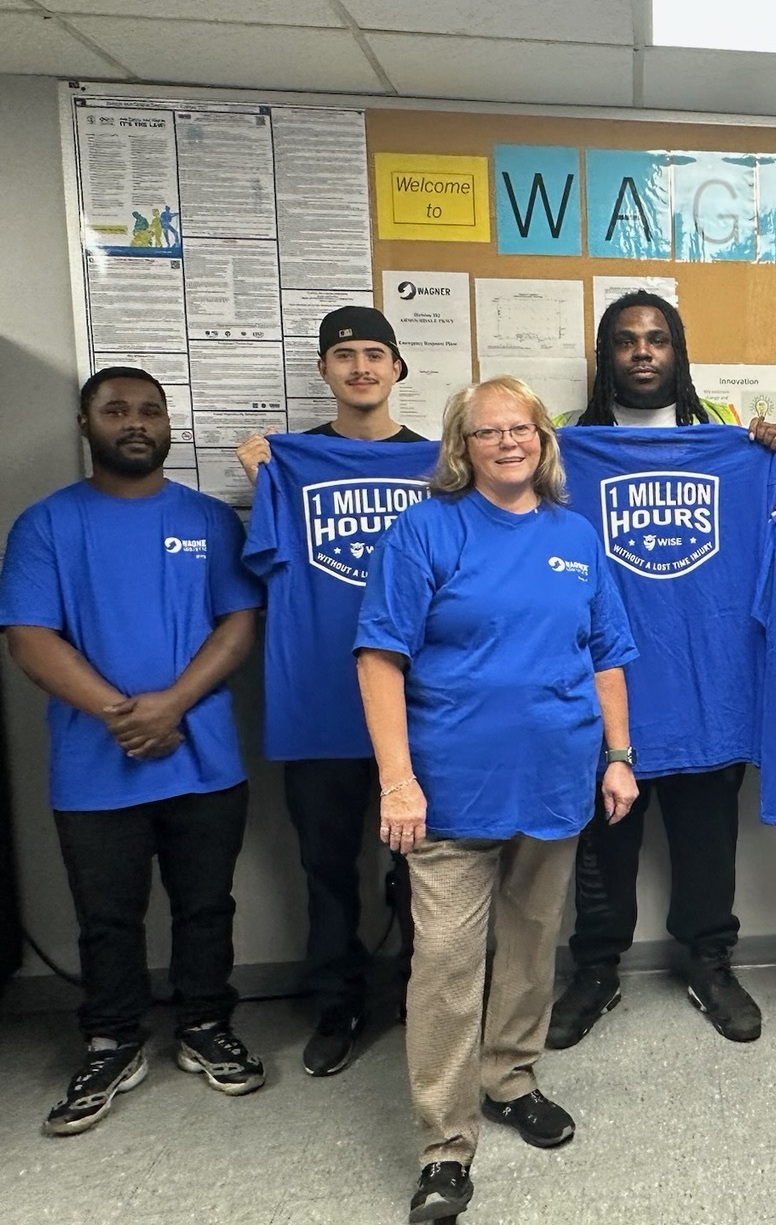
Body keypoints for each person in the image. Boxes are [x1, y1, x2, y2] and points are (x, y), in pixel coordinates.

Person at [355, 376, 638, 1223]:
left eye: (523, 429)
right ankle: (445, 1145)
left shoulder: (575, 535)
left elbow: (607, 653)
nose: (508, 442)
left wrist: (618, 758)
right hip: (449, 794)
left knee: (531, 948)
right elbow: (378, 658)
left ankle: (510, 1079)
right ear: (462, 446)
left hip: (553, 784)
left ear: (545, 442)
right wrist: (398, 779)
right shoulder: (427, 529)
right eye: (489, 433)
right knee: (444, 968)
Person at [0, 367, 265, 1136]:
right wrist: (124, 715)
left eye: (150, 410)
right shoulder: (45, 525)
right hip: (94, 763)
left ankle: (205, 1025)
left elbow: (238, 621)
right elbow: (28, 636)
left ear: (169, 426)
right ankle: (113, 1038)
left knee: (206, 904)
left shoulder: (212, 520)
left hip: (202, 753)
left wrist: (173, 705)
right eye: (116, 410)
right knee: (107, 918)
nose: (136, 422)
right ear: (86, 425)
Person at [547, 290, 776, 1048]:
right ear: (606, 357)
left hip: (706, 682)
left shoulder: (723, 441)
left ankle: (711, 961)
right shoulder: (565, 450)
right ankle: (596, 970)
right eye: (626, 341)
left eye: (656, 339)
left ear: (677, 352)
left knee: (708, 836)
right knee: (604, 844)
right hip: (603, 685)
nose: (642, 352)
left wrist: (774, 462)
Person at [236, 304, 425, 1077]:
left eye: (374, 353)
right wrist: (264, 483)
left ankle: (427, 993)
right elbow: (263, 564)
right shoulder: (287, 466)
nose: (360, 367)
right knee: (326, 867)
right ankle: (336, 1000)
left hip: (421, 708)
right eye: (344, 355)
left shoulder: (443, 467)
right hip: (318, 700)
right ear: (324, 371)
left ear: (397, 369)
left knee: (432, 868)